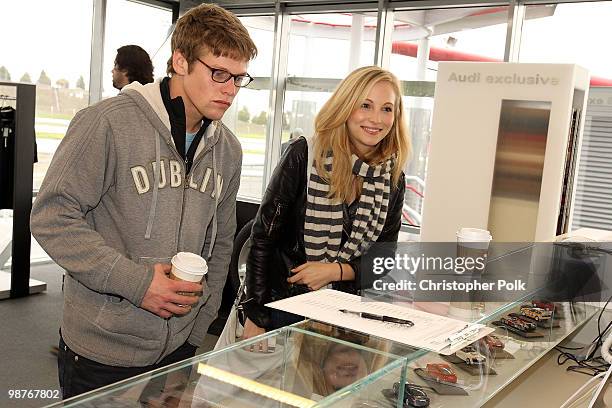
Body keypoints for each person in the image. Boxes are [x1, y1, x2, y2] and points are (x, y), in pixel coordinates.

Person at [30, 4, 257, 399]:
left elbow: (220, 245)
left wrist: (197, 330)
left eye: (239, 78)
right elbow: (52, 217)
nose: (230, 89)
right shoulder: (106, 123)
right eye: (219, 74)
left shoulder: (229, 151)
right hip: (102, 349)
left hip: (181, 349)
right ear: (180, 61)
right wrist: (135, 283)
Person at [242, 66, 410, 338]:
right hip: (284, 306)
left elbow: (383, 260)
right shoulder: (305, 155)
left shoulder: (393, 178)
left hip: (346, 316)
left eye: (387, 109)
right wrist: (256, 315)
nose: (376, 119)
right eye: (365, 105)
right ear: (345, 106)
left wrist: (336, 271)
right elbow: (263, 239)